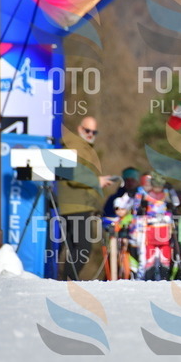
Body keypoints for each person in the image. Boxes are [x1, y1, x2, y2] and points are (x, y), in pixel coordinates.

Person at [58, 116, 116, 280]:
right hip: (76, 206)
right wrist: (97, 181)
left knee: (71, 247)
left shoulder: (81, 147)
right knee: (83, 247)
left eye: (94, 132)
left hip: (76, 205)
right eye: (87, 130)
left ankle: (65, 280)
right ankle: (68, 280)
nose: (91, 134)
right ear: (79, 129)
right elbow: (72, 175)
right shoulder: (76, 147)